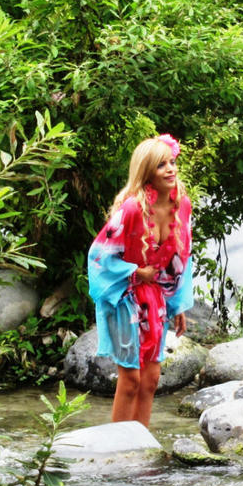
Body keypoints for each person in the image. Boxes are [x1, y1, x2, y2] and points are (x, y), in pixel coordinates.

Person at [88, 134, 194, 427]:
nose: (171, 169)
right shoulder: (132, 210)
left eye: (172, 162)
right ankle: (118, 447)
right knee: (131, 378)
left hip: (156, 298)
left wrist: (178, 304)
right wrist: (134, 271)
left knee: (151, 379)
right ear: (147, 172)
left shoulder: (181, 206)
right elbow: (99, 257)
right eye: (162, 166)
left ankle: (142, 446)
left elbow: (182, 258)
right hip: (125, 297)